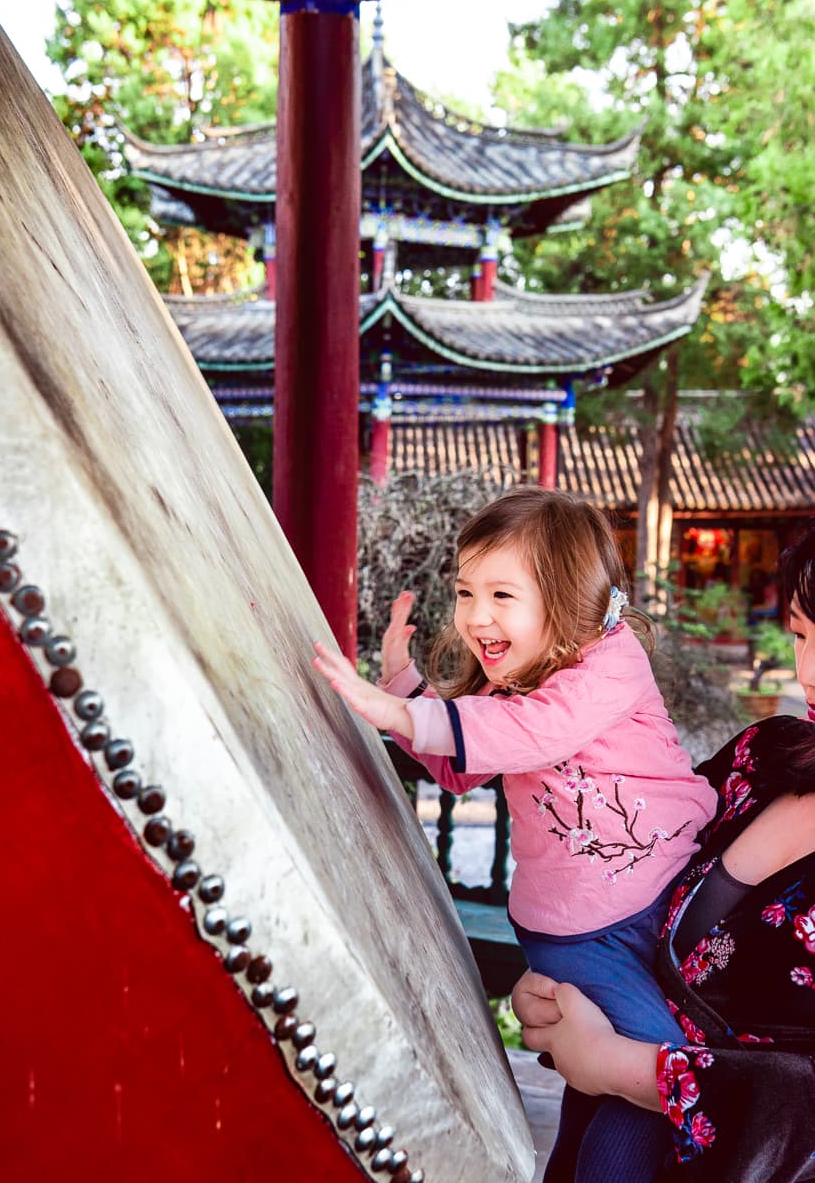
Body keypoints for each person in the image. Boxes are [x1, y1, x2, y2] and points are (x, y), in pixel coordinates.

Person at [313, 487, 718, 1180]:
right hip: (590, 934)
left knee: (605, 1084)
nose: (475, 617)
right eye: (467, 593)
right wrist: (404, 693)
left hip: (655, 912)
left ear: (564, 600)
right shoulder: (520, 685)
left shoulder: (609, 667)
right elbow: (464, 765)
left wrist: (402, 712)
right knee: (651, 1074)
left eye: (501, 595)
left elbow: (528, 732)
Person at [513, 517, 815, 1181]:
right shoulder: (761, 758)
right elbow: (624, 882)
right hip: (608, 1137)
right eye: (799, 633)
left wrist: (625, 1067)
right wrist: (569, 976)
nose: (807, 670)